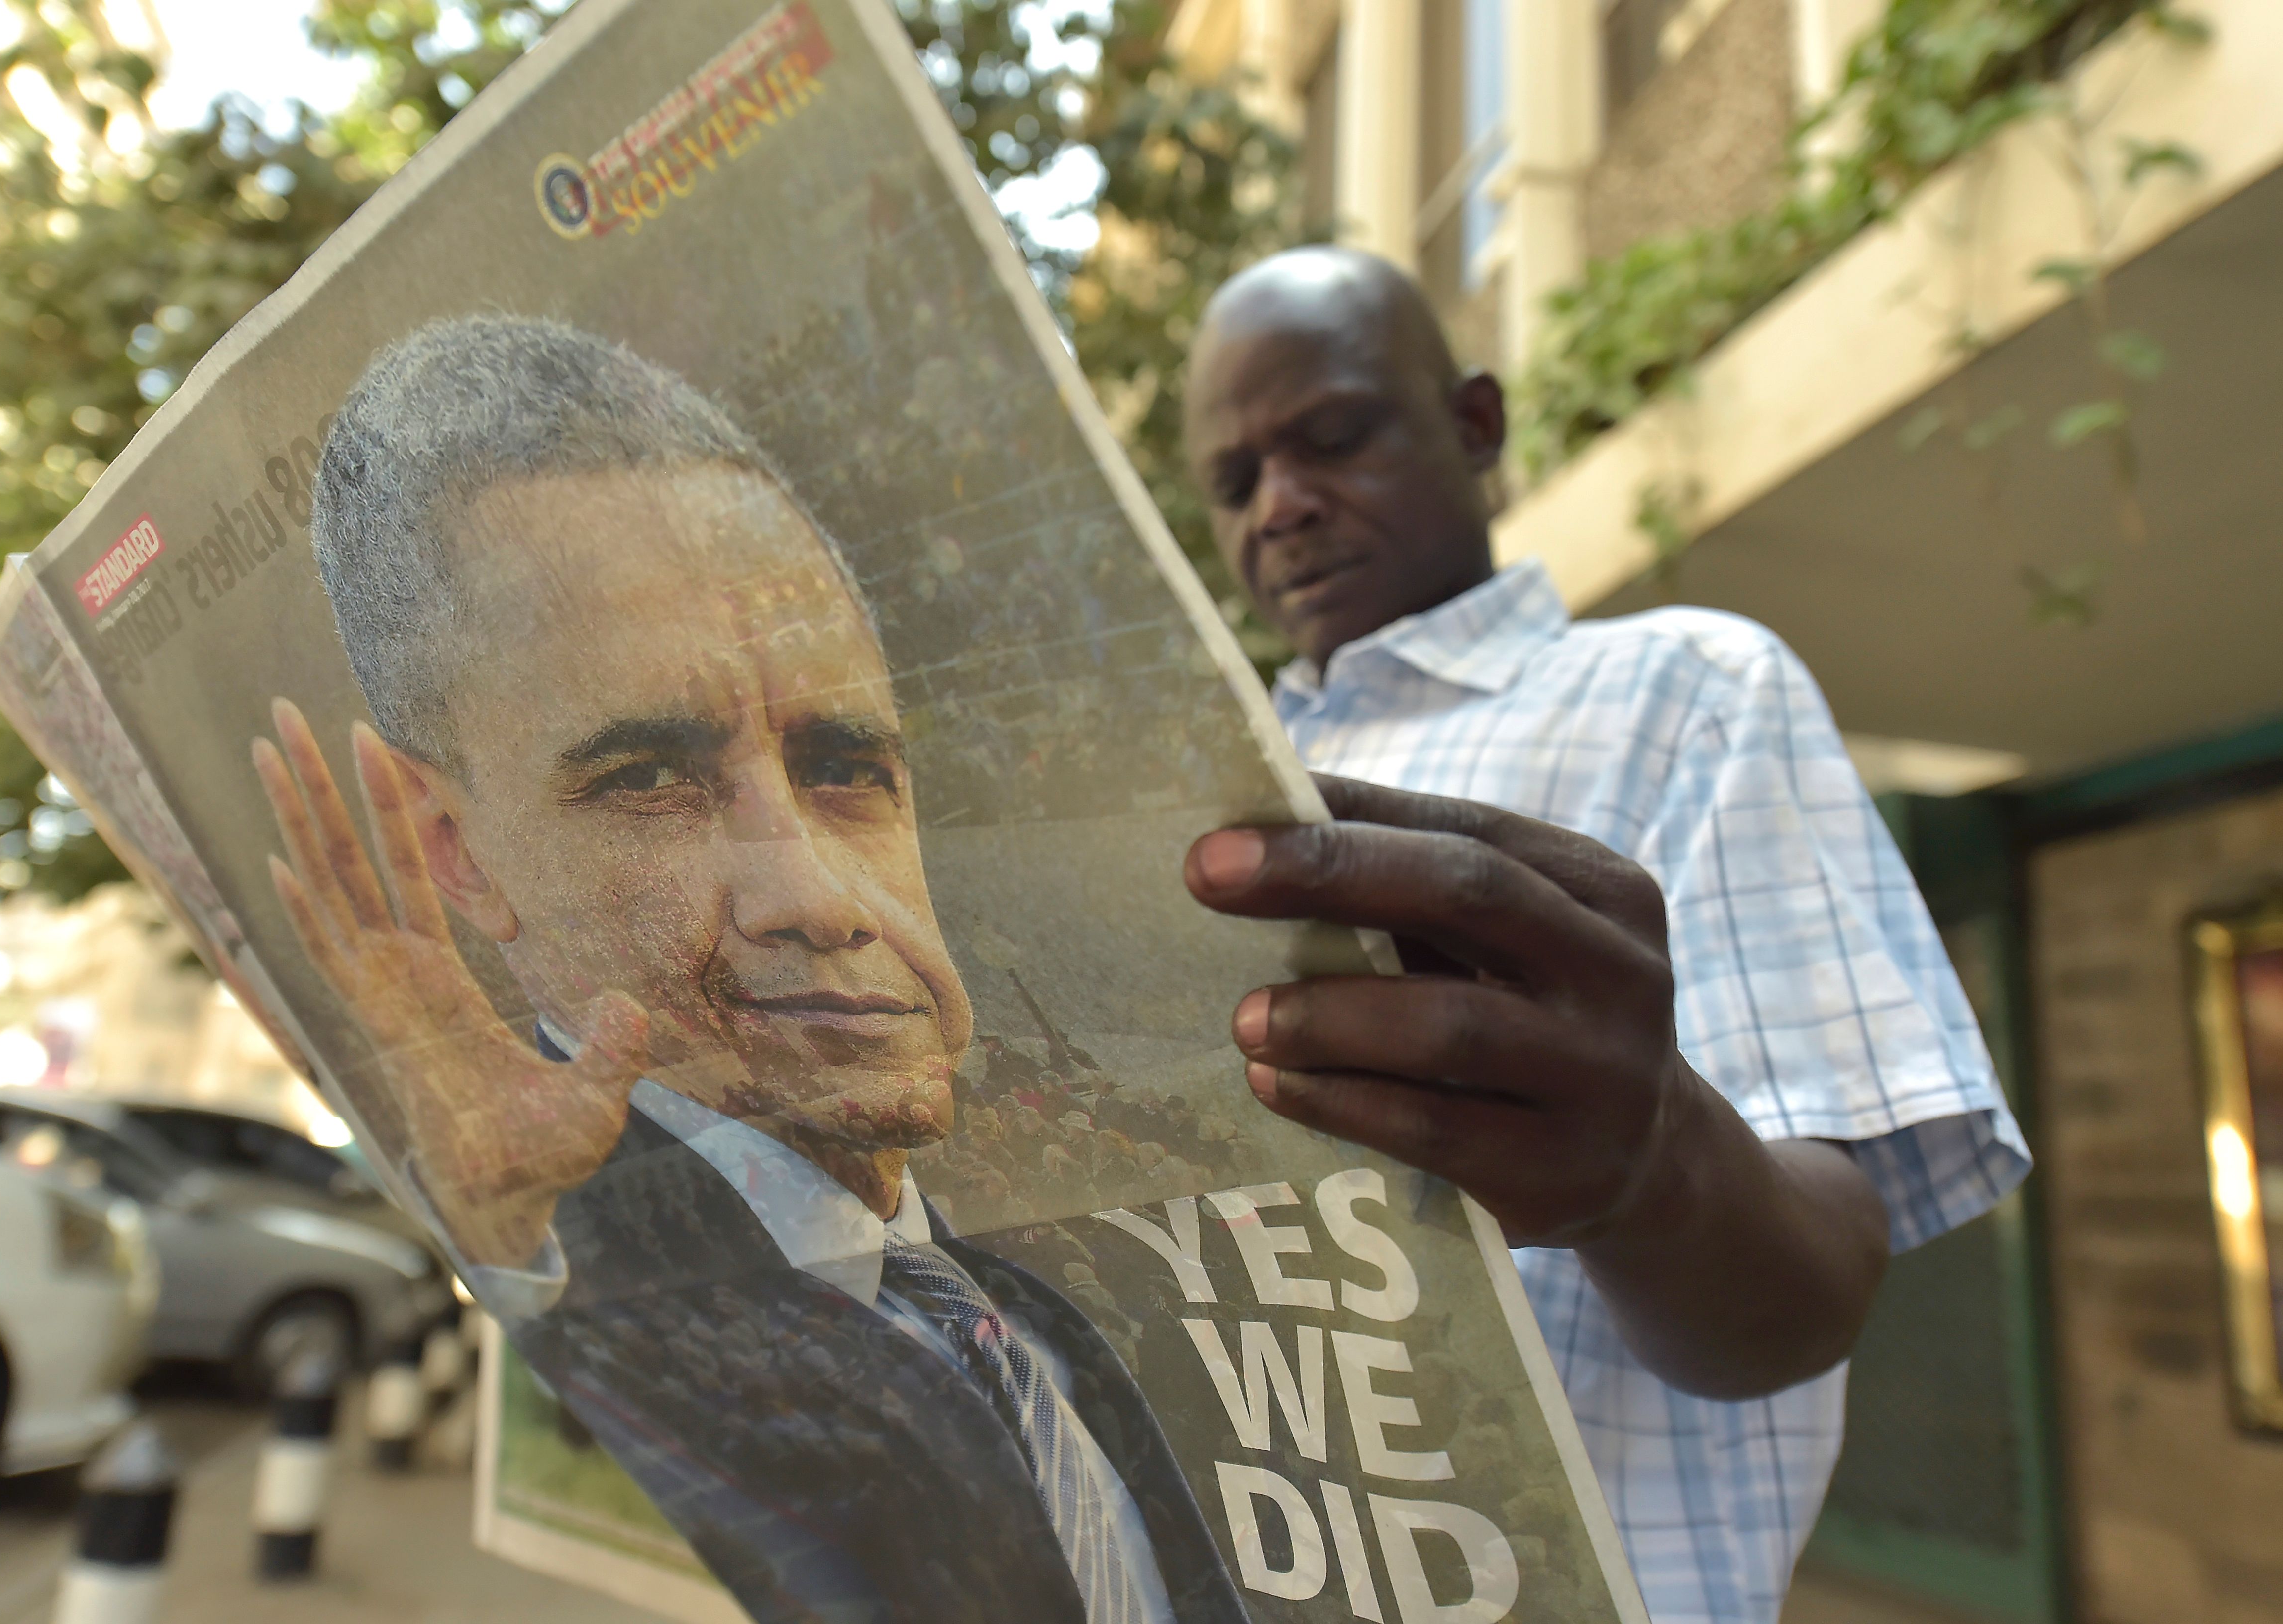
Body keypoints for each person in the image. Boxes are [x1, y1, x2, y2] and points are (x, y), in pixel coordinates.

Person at [253, 315, 1241, 1624]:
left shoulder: (1052, 1320)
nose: (820, 898)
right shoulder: (565, 1289)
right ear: (461, 856)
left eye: (846, 767)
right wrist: (510, 1257)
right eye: (653, 780)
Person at [1175, 246, 2032, 1624]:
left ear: (1475, 426)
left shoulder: (1685, 690)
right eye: (1232, 484)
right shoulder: (1195, 773)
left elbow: (1813, 1291)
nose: (1278, 506)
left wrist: (1648, 1170)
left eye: (1331, 438)